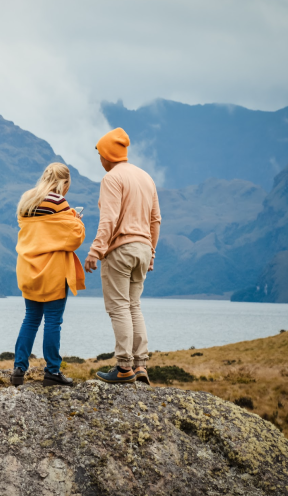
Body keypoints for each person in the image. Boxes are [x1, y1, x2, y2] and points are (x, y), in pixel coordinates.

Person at [84, 128, 161, 385]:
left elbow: (109, 218)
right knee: (134, 306)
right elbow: (155, 220)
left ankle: (124, 367)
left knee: (118, 307)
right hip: (142, 249)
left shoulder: (112, 179)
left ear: (107, 154)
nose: (100, 160)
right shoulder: (146, 178)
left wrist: (95, 250)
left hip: (120, 250)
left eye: (100, 154)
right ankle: (140, 366)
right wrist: (151, 253)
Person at [10, 162, 86, 387]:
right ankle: (52, 371)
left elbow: (36, 229)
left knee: (30, 319)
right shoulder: (58, 202)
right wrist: (76, 219)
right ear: (64, 182)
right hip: (52, 271)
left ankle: (18, 369)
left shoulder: (27, 200)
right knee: (53, 320)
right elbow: (74, 237)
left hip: (27, 268)